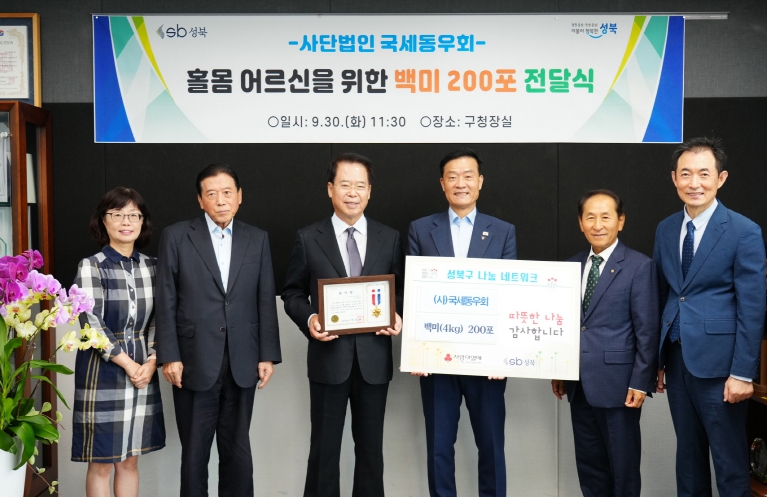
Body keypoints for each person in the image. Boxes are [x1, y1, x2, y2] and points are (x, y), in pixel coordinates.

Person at [282, 152, 404, 497]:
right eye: (345, 185)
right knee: (324, 451)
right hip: (328, 359)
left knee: (371, 452)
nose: (353, 193)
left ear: (370, 191)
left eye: (360, 186)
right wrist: (310, 318)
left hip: (373, 361)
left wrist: (396, 314)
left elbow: (399, 290)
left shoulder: (389, 237)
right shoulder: (308, 237)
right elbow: (292, 292)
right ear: (330, 188)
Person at [155, 164, 281, 497]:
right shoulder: (177, 236)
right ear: (200, 200)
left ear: (239, 196)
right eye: (212, 194)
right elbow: (166, 298)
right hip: (193, 359)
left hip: (243, 358)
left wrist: (268, 354)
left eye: (227, 192)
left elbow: (265, 298)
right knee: (194, 454)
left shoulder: (257, 238)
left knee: (238, 451)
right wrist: (169, 355)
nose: (221, 200)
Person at [654, 137, 766, 497]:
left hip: (722, 368)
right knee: (687, 458)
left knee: (729, 461)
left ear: (721, 178)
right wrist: (657, 360)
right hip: (677, 359)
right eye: (686, 174)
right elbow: (664, 294)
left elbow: (752, 307)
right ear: (674, 178)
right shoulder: (666, 228)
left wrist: (743, 373)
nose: (694, 183)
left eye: (704, 174)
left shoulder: (743, 231)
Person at [408, 148, 516, 497]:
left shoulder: (502, 231)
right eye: (452, 177)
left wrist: (503, 355)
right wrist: (417, 349)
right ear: (442, 183)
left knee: (492, 445)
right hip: (437, 359)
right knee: (439, 447)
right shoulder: (421, 229)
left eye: (468, 176)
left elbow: (510, 295)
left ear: (480, 182)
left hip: (488, 361)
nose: (460, 183)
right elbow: (413, 292)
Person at [551, 190, 659, 497]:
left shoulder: (639, 266)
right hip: (579, 384)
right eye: (590, 217)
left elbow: (647, 331)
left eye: (606, 217)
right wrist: (559, 370)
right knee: (590, 467)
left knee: (623, 468)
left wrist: (640, 383)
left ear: (620, 221)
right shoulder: (570, 266)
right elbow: (563, 324)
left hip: (619, 386)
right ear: (580, 223)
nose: (597, 225)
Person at [72, 187, 165, 497]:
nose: (126, 222)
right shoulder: (92, 265)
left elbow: (161, 319)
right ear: (104, 220)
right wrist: (129, 365)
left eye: (133, 215)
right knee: (102, 462)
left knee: (129, 460)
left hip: (144, 367)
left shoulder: (153, 267)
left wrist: (151, 362)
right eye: (118, 214)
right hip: (103, 370)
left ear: (142, 221)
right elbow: (91, 323)